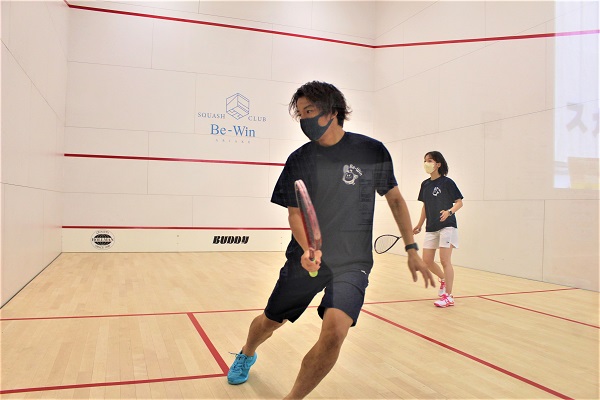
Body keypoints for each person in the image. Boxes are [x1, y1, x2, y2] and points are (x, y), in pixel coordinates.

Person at [227, 81, 435, 399]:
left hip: (353, 261)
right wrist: (307, 249)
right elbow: (295, 213)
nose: (304, 119)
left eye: (309, 110)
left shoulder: (371, 151)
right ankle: (247, 352)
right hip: (307, 259)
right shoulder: (300, 159)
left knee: (335, 331)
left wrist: (411, 248)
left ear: (332, 111)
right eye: (300, 114)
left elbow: (394, 199)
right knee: (269, 321)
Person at [412, 151, 464, 308]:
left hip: (447, 226)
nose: (426, 163)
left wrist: (449, 212)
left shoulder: (447, 182)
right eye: (425, 160)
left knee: (445, 260)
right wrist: (419, 224)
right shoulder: (425, 184)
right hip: (431, 227)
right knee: (427, 261)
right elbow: (425, 206)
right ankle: (443, 279)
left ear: (438, 164)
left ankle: (449, 296)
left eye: (430, 160)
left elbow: (459, 202)